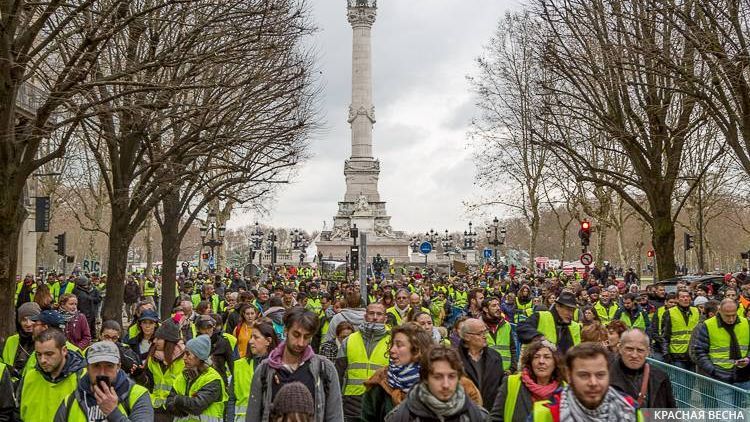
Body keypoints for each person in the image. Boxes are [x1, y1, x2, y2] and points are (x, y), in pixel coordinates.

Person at [362, 322, 482, 421]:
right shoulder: (381, 381)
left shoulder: (458, 383)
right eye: (392, 344)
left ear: (417, 349)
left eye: (399, 345)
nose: (392, 350)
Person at [247, 307, 344, 422]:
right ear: (286, 331)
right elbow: (253, 416)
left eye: (306, 337)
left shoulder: (324, 369)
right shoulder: (265, 370)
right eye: (296, 335)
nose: (301, 343)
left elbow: (335, 416)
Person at [532, 342, 641, 421]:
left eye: (600, 375)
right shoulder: (543, 415)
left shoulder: (631, 410)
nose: (593, 383)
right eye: (584, 375)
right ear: (569, 376)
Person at [53, 341, 154, 421]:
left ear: (118, 367)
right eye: (96, 366)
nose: (102, 372)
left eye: (109, 366)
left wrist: (114, 413)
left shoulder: (138, 395)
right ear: (87, 367)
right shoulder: (71, 400)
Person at [385, 345, 488, 422]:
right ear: (425, 378)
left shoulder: (478, 416)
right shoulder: (400, 417)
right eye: (438, 377)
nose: (446, 385)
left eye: (452, 376)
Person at [16, 328, 87, 421]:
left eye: (49, 354)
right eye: (38, 354)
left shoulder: (83, 379)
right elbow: (18, 414)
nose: (42, 360)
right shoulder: (29, 378)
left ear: (64, 350)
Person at [338, 302, 390, 420]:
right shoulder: (349, 340)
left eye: (379, 314)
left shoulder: (393, 341)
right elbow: (338, 373)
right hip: (351, 402)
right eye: (371, 313)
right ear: (365, 316)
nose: (375, 317)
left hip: (380, 400)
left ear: (385, 318)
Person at [490, 339, 564, 422]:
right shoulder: (511, 383)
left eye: (547, 357)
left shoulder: (565, 389)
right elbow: (495, 418)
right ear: (530, 362)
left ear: (556, 362)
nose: (541, 361)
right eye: (536, 357)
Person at [691, 298, 750, 401]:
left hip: (743, 375)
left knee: (741, 412)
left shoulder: (745, 323)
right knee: (727, 413)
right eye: (727, 315)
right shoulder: (708, 325)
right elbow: (699, 352)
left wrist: (748, 359)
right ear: (720, 311)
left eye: (734, 315)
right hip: (721, 376)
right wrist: (713, 371)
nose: (731, 319)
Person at [164, 334, 227, 420]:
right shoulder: (182, 376)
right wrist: (183, 404)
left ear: (199, 357)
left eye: (188, 354)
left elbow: (196, 407)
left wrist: (177, 399)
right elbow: (168, 402)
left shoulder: (213, 379)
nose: (184, 358)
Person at [609, 329, 676, 409]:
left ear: (648, 352)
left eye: (640, 350)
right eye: (629, 349)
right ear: (620, 348)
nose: (634, 355)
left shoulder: (660, 378)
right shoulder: (605, 377)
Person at [228, 321, 279, 422]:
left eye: (256, 337)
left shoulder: (280, 367)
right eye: (251, 337)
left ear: (268, 341)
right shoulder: (239, 365)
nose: (250, 341)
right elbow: (231, 400)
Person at [140, 319, 185, 422]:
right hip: (154, 411)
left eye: (159, 338)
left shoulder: (185, 361)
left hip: (175, 413)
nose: (155, 341)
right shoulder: (152, 358)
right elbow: (148, 385)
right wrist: (140, 376)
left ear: (169, 341)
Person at [457, 318, 504, 411]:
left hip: (490, 413)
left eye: (485, 332)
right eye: (480, 333)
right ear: (467, 336)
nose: (485, 336)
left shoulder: (495, 357)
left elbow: (500, 388)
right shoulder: (454, 359)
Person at [661, 290, 699, 371]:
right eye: (683, 297)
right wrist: (666, 353)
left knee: (691, 382)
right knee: (681, 382)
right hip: (677, 355)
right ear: (677, 299)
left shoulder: (696, 311)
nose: (686, 299)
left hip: (692, 354)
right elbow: (665, 335)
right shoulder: (670, 313)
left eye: (687, 296)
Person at [3, 302, 40, 380]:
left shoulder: (44, 341)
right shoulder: (11, 340)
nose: (28, 324)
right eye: (24, 320)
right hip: (9, 385)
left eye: (32, 319)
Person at [481, 297, 517, 374]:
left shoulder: (506, 325)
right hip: (487, 374)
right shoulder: (479, 326)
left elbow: (513, 348)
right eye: (494, 306)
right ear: (486, 309)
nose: (498, 308)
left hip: (505, 373)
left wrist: (512, 369)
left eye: (498, 305)